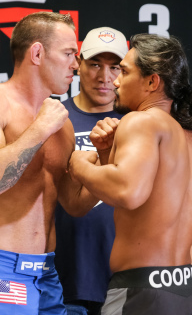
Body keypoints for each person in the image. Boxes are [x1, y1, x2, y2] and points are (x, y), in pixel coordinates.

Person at [0, 12, 96, 315]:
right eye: (69, 53)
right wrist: (40, 129)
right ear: (38, 53)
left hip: (46, 275)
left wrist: (104, 162)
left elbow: (74, 204)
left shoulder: (62, 125)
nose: (76, 65)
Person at [68, 34, 192, 314]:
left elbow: (128, 192)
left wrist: (79, 164)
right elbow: (144, 204)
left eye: (123, 71)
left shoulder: (141, 121)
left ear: (152, 82)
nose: (114, 81)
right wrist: (105, 155)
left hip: (143, 293)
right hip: (189, 290)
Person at [54, 27, 128, 315]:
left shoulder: (139, 123)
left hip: (124, 275)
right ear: (79, 65)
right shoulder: (55, 118)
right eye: (95, 64)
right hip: (66, 273)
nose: (104, 77)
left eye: (115, 67)